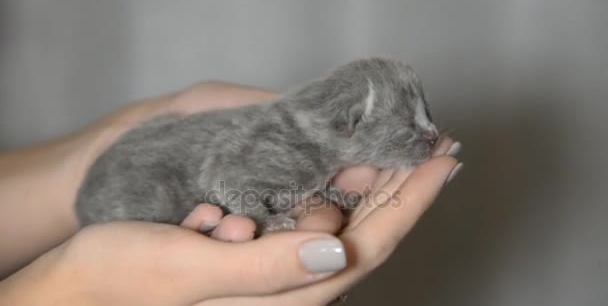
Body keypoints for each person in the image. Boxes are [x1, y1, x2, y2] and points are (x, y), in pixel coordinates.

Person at [0, 81, 462, 305]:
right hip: (134, 192)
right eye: (410, 125)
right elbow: (237, 186)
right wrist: (68, 290)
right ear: (347, 123)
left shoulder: (303, 142)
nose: (429, 132)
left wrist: (80, 161)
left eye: (425, 117)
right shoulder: (289, 149)